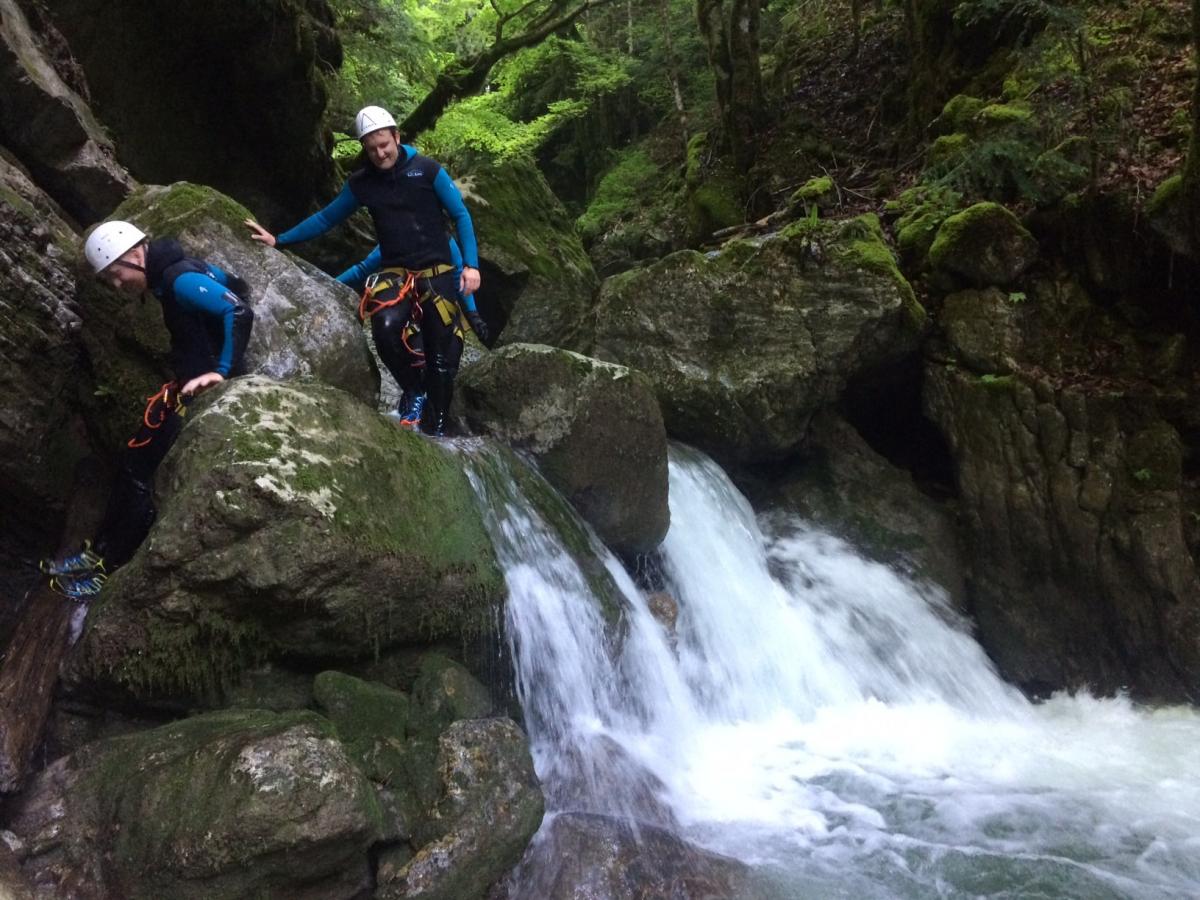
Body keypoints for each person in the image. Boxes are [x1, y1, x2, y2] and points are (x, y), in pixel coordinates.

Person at [41, 221, 255, 599]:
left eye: (116, 274)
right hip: (189, 386)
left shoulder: (177, 280)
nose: (117, 285)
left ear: (135, 255)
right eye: (109, 279)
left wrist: (220, 373)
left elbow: (238, 312)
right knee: (131, 462)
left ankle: (108, 570)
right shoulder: (169, 275)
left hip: (206, 394)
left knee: (145, 479)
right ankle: (96, 553)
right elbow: (232, 283)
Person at [245, 105, 484, 436]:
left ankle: (438, 427)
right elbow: (327, 218)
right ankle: (413, 390)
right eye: (371, 148)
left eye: (384, 144)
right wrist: (279, 239)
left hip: (438, 271)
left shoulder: (427, 171)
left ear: (397, 137)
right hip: (396, 273)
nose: (380, 153)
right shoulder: (362, 184)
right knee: (385, 330)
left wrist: (471, 266)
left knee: (441, 359)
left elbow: (461, 215)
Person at [335, 237, 487, 427]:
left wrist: (473, 315)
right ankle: (413, 399)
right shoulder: (396, 233)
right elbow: (363, 269)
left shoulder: (445, 240)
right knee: (420, 361)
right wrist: (331, 284)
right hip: (412, 314)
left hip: (441, 310)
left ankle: (431, 414)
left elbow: (459, 280)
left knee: (447, 364)